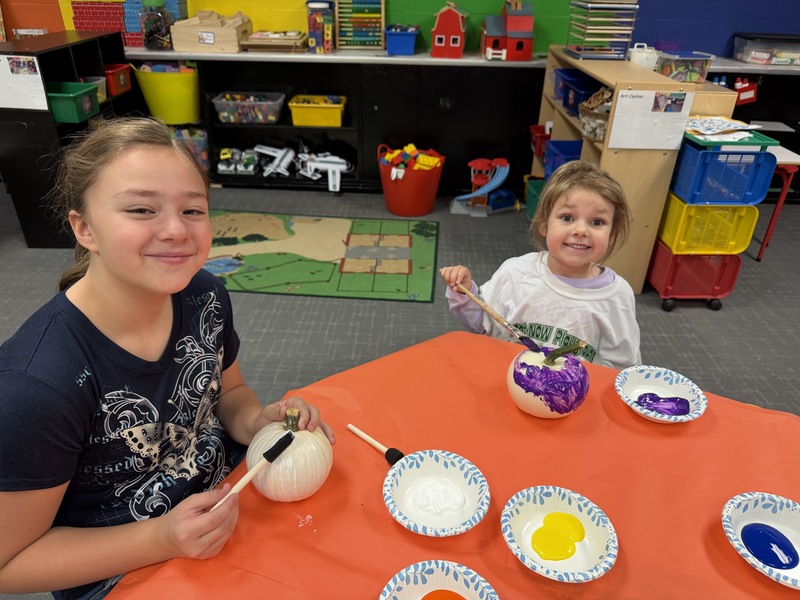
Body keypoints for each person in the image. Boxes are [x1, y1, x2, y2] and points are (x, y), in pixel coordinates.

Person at [0, 117, 336, 599]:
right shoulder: (35, 384)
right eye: (141, 209)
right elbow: (10, 564)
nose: (177, 230)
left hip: (228, 499)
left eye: (193, 210)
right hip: (125, 567)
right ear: (84, 228)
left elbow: (230, 394)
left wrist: (257, 421)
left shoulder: (204, 295)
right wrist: (159, 539)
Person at [440, 160, 641, 369]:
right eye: (567, 217)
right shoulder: (516, 273)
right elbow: (483, 323)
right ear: (544, 223)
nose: (581, 230)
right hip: (506, 385)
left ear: (613, 233)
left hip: (574, 399)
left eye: (597, 222)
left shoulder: (617, 296)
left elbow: (622, 368)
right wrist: (464, 292)